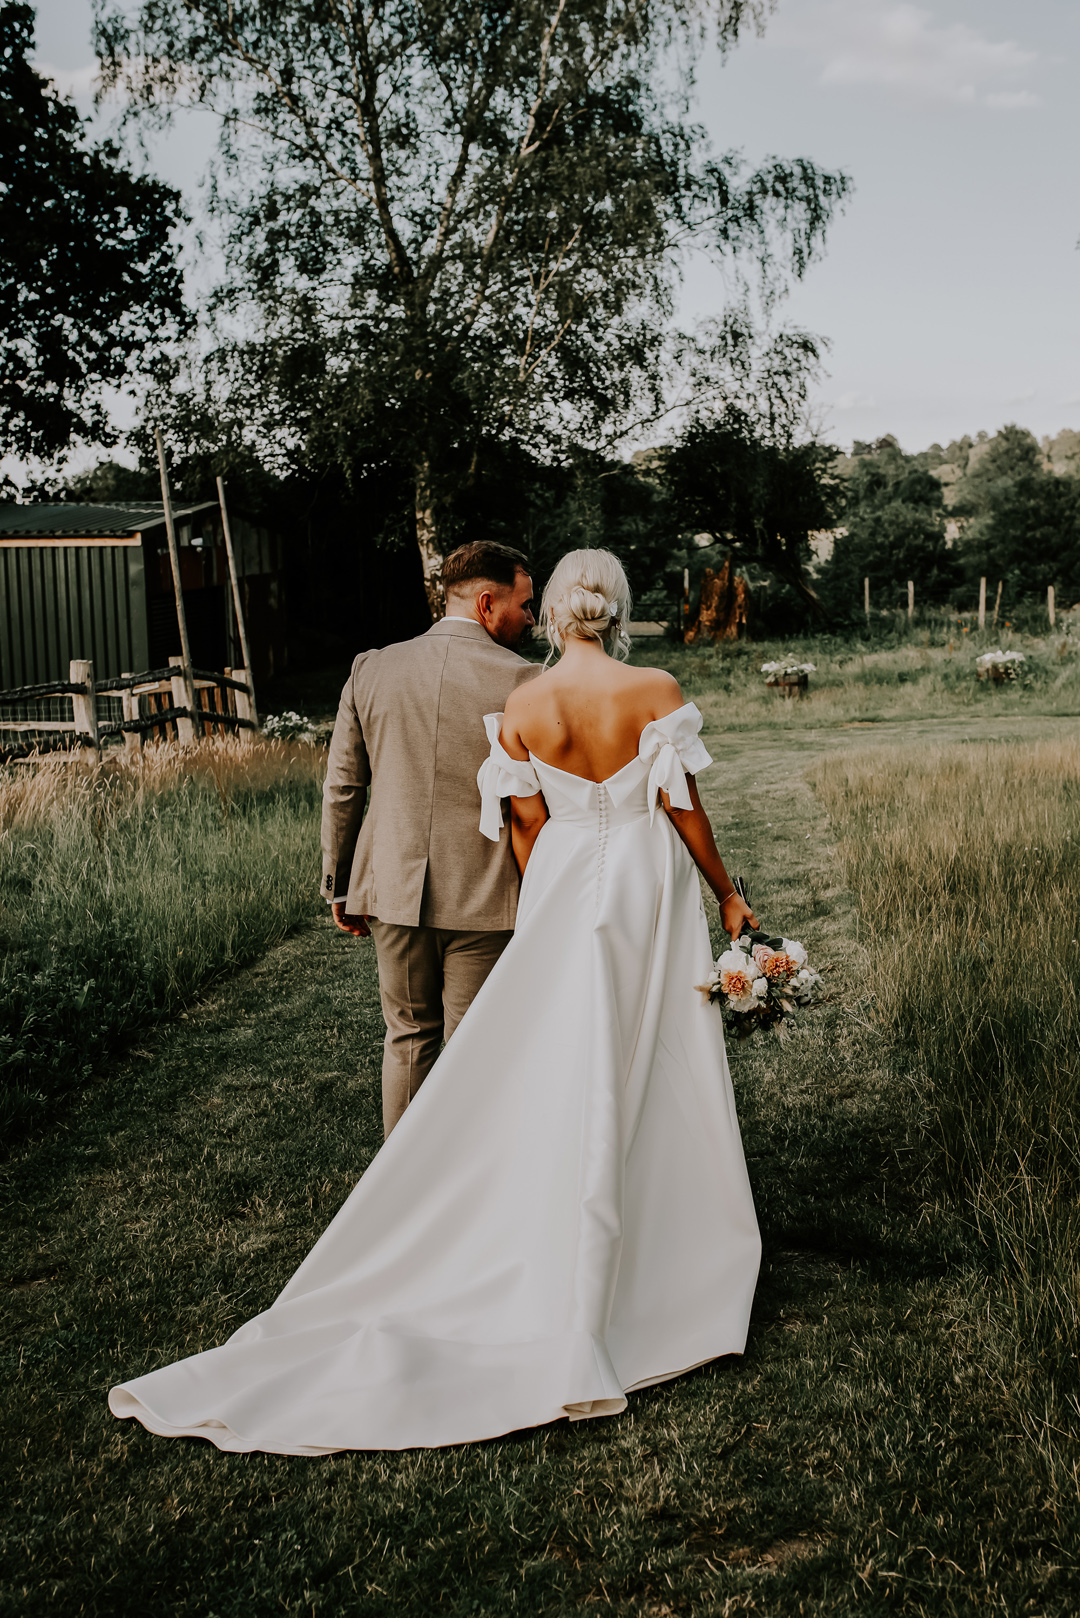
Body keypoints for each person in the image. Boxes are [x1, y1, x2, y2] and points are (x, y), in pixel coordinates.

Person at [108, 548, 762, 1454]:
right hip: (626, 887)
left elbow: (498, 816)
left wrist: (533, 898)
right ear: (607, 608)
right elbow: (679, 797)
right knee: (614, 1046)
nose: (527, 615)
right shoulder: (620, 682)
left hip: (501, 885)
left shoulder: (456, 686)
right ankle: (628, 1222)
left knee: (431, 1042)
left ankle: (424, 1194)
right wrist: (724, 890)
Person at [321, 540, 540, 1136]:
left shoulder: (372, 667)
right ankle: (471, 1194)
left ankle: (400, 1195)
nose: (530, 617)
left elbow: (344, 786)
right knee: (476, 1046)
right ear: (487, 602)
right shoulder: (528, 680)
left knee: (408, 1038)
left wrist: (338, 882)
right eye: (524, 604)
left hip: (391, 886)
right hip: (488, 890)